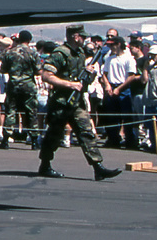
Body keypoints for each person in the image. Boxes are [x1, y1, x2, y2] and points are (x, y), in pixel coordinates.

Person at [38, 25, 122, 181]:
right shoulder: (60, 53)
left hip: (77, 102)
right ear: (75, 37)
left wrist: (89, 74)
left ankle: (98, 167)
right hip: (61, 101)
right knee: (53, 135)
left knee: (86, 132)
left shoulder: (81, 54)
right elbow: (47, 76)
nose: (84, 40)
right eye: (82, 37)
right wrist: (70, 84)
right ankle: (45, 165)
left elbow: (82, 79)